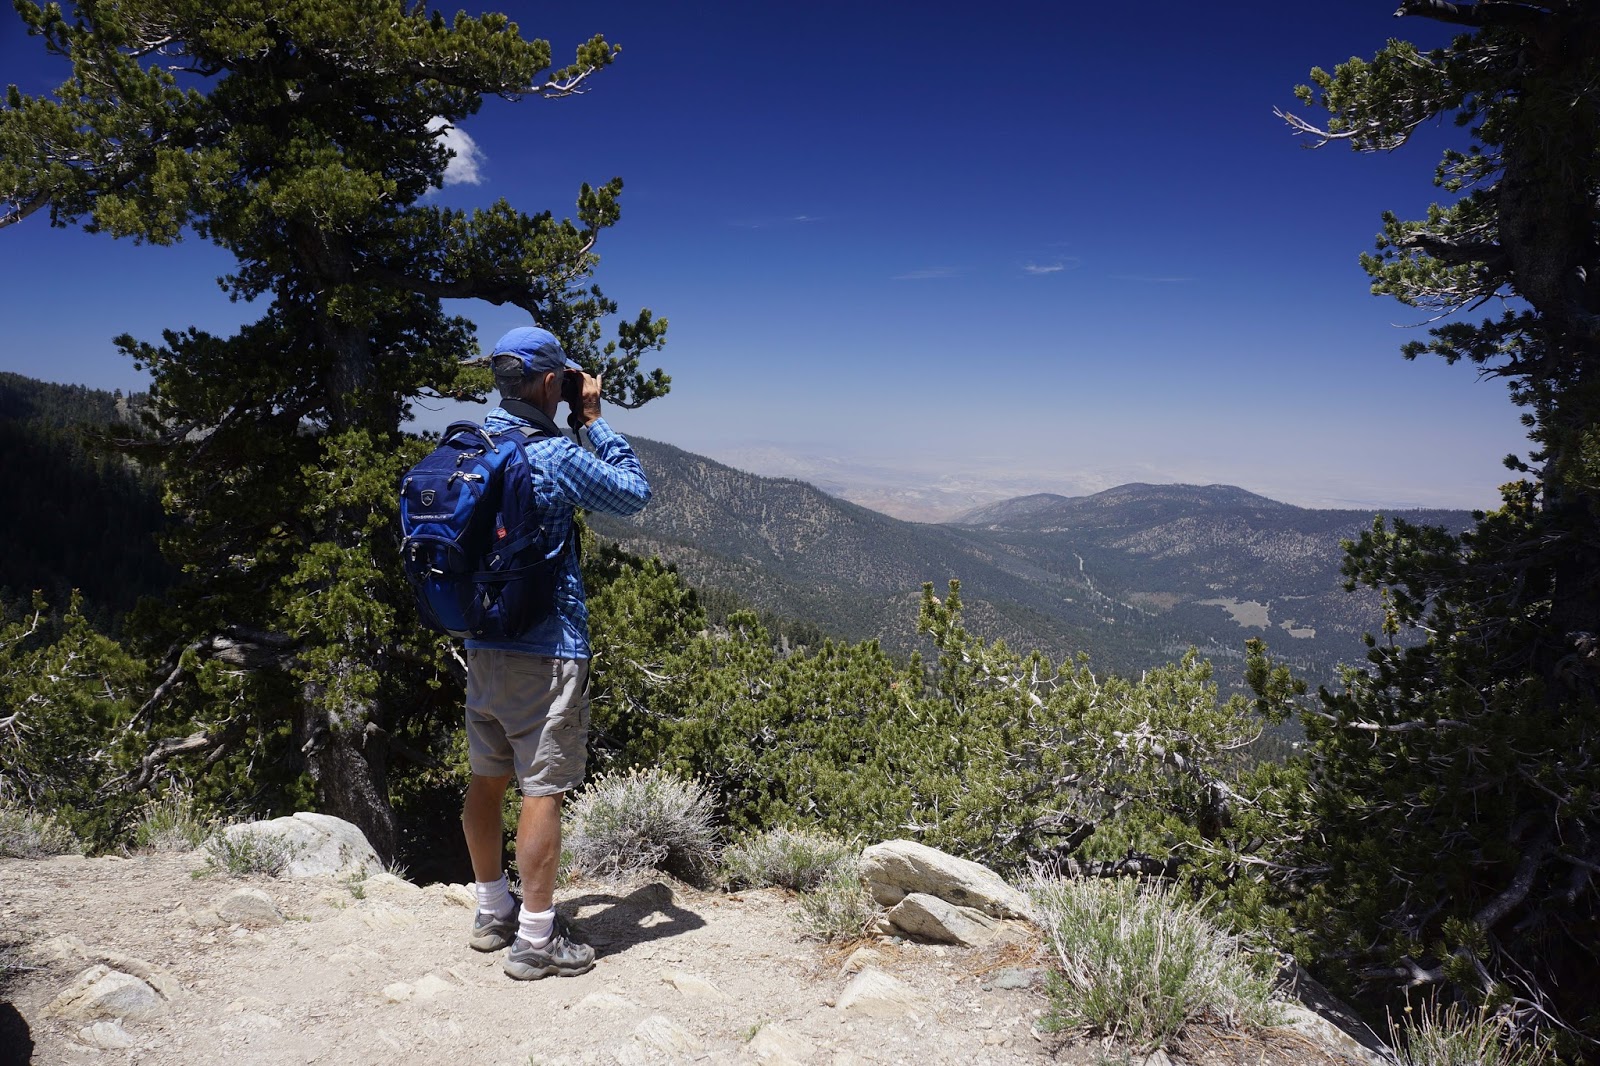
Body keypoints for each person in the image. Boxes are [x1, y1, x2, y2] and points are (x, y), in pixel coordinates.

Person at [459, 325, 652, 980]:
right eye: (563, 380)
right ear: (550, 383)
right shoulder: (551, 454)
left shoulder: (472, 444)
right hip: (545, 648)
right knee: (543, 789)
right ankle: (536, 941)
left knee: (487, 780)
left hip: (480, 641)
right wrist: (592, 420)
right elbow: (632, 493)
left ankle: (492, 912)